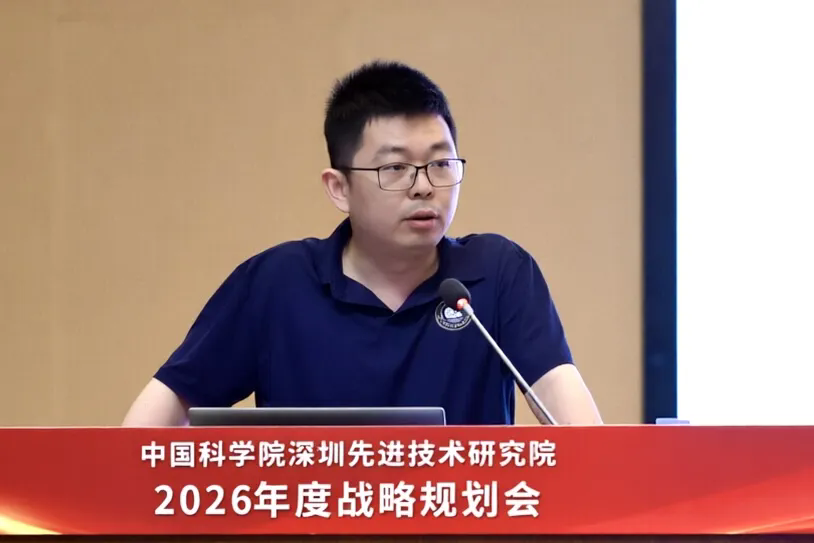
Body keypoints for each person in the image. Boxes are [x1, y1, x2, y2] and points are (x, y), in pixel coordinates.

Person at [122, 60, 602, 427]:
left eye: (441, 164)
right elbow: (159, 413)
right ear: (339, 188)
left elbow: (575, 422)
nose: (424, 186)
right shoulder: (277, 283)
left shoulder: (495, 273)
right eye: (395, 168)